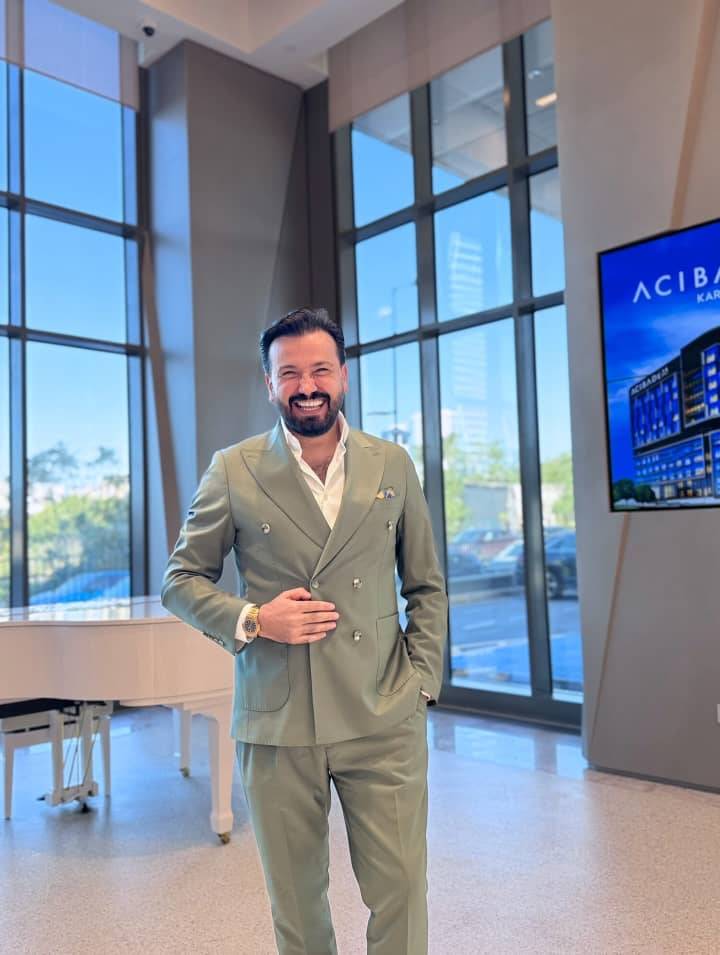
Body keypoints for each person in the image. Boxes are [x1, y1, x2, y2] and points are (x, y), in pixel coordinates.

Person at [161, 306, 447, 955]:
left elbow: (426, 584)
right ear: (270, 384)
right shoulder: (233, 468)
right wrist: (256, 618)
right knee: (297, 906)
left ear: (343, 375)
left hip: (383, 713)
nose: (306, 385)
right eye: (289, 373)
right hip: (278, 720)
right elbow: (180, 579)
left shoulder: (392, 464)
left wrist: (421, 683)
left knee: (402, 890)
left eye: (320, 369)